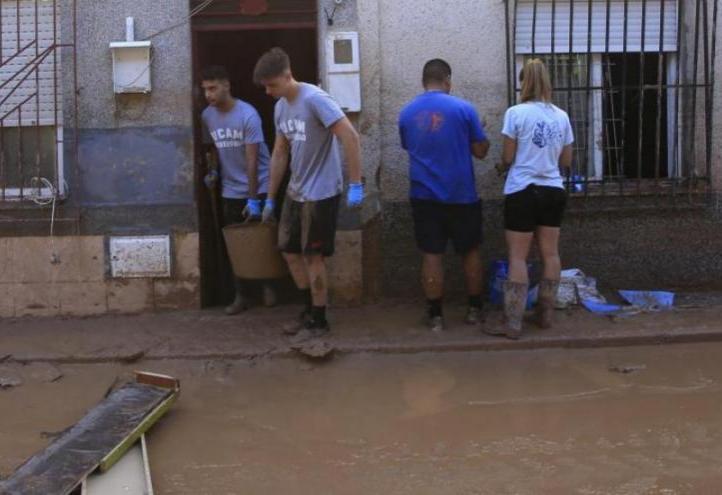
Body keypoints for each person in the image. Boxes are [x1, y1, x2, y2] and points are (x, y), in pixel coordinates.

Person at [253, 47, 364, 337]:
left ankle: (320, 319)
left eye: (272, 85)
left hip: (322, 190)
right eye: (265, 86)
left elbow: (350, 136)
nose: (267, 91)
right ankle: (308, 307)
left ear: (288, 76)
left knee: (312, 256)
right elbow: (279, 152)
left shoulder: (315, 99)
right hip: (296, 190)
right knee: (289, 252)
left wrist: (355, 182)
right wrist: (270, 197)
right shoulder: (280, 107)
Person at [398, 59, 490, 332]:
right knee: (470, 251)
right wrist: (481, 130)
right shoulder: (464, 109)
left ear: (423, 81)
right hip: (462, 194)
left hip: (424, 195)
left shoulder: (406, 113)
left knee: (431, 254)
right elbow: (481, 152)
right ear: (448, 81)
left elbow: (408, 146)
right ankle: (474, 309)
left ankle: (436, 316)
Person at [486, 59, 573, 340]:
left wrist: (502, 167)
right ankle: (545, 314)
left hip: (522, 190)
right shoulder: (562, 116)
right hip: (553, 190)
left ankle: (512, 322)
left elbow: (508, 157)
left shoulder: (516, 113)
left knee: (518, 257)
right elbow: (567, 159)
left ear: (524, 83)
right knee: (551, 253)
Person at [200, 65, 277, 315]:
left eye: (213, 88)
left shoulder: (248, 115)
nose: (209, 95)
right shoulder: (207, 116)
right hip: (230, 189)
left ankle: (268, 286)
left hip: (260, 185)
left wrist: (254, 199)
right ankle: (241, 295)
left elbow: (253, 159)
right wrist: (213, 171)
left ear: (226, 86)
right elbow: (210, 148)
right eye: (205, 90)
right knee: (236, 244)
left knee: (262, 240)